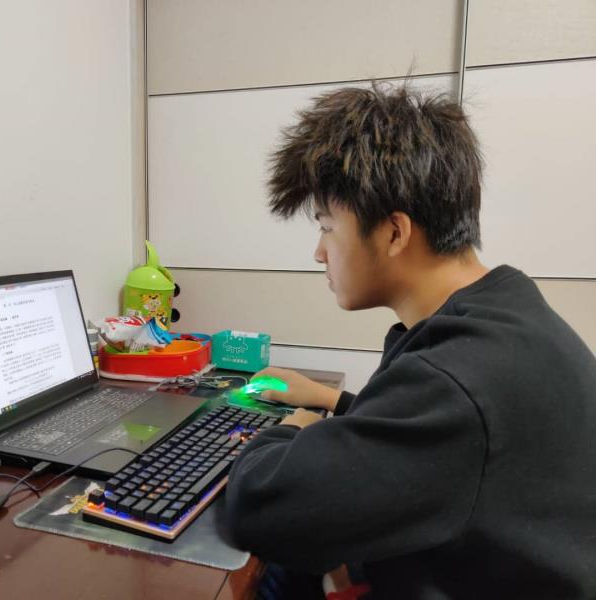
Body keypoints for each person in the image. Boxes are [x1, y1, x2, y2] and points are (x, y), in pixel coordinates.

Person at [223, 83, 596, 599]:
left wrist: (294, 428)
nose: (318, 252)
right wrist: (333, 399)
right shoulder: (501, 315)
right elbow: (433, 442)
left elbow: (259, 507)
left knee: (272, 573)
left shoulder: (458, 378)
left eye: (327, 227)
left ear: (394, 233)